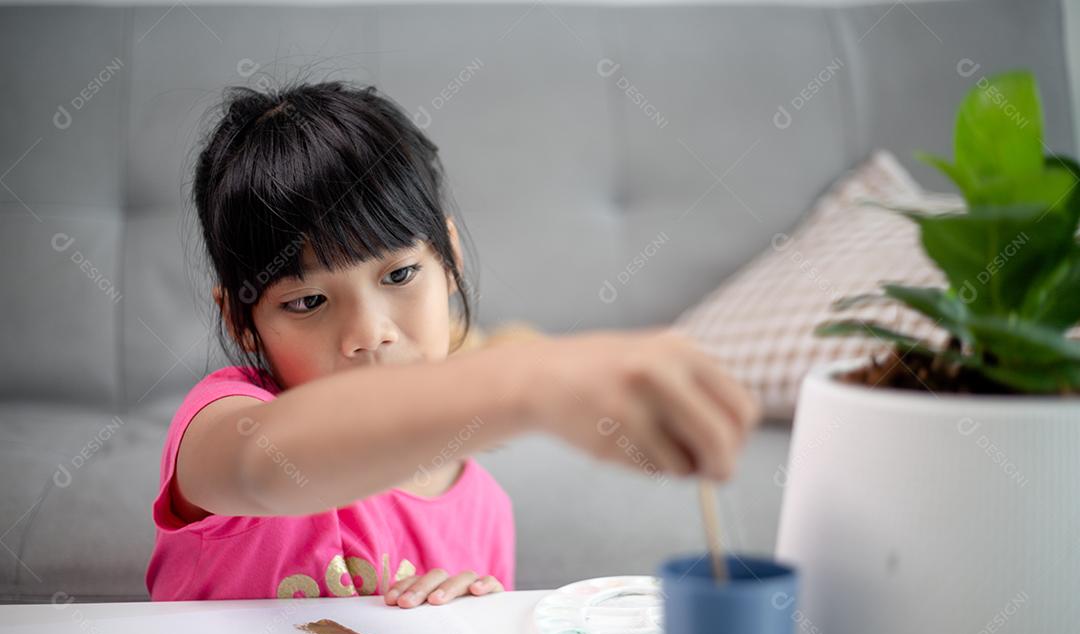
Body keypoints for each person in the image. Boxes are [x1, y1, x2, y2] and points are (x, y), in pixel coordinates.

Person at [144, 81, 760, 604]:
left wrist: (467, 625)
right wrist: (529, 379)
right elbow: (266, 469)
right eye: (306, 302)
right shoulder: (222, 427)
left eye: (400, 275)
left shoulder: (486, 511)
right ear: (239, 319)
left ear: (450, 259)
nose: (368, 333)